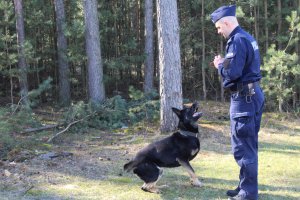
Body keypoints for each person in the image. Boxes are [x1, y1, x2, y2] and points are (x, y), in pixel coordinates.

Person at [210, 5, 265, 200]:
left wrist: (219, 66)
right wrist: (226, 63)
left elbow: (232, 74)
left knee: (243, 147)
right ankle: (245, 187)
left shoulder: (237, 40)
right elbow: (240, 67)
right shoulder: (247, 37)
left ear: (226, 22)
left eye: (218, 27)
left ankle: (248, 194)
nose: (219, 32)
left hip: (244, 99)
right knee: (248, 145)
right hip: (252, 95)